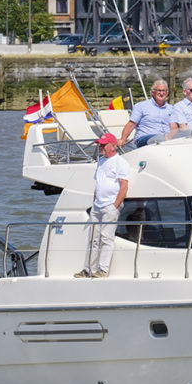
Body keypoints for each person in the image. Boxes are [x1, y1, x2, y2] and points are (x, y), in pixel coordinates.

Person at [75, 133, 129, 279]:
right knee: (93, 238)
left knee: (106, 238)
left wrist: (115, 205)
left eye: (104, 145)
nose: (101, 147)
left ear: (113, 145)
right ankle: (88, 269)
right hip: (97, 206)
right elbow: (98, 185)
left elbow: (124, 186)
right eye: (100, 145)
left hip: (110, 206)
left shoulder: (121, 162)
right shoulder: (101, 162)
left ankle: (102, 270)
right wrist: (94, 203)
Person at [119, 78, 180, 147]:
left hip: (166, 140)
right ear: (152, 92)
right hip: (143, 139)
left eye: (164, 91)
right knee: (159, 138)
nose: (162, 93)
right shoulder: (141, 106)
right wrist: (123, 140)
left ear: (167, 93)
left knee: (187, 134)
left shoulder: (171, 109)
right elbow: (131, 124)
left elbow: (174, 127)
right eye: (159, 90)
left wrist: (169, 138)